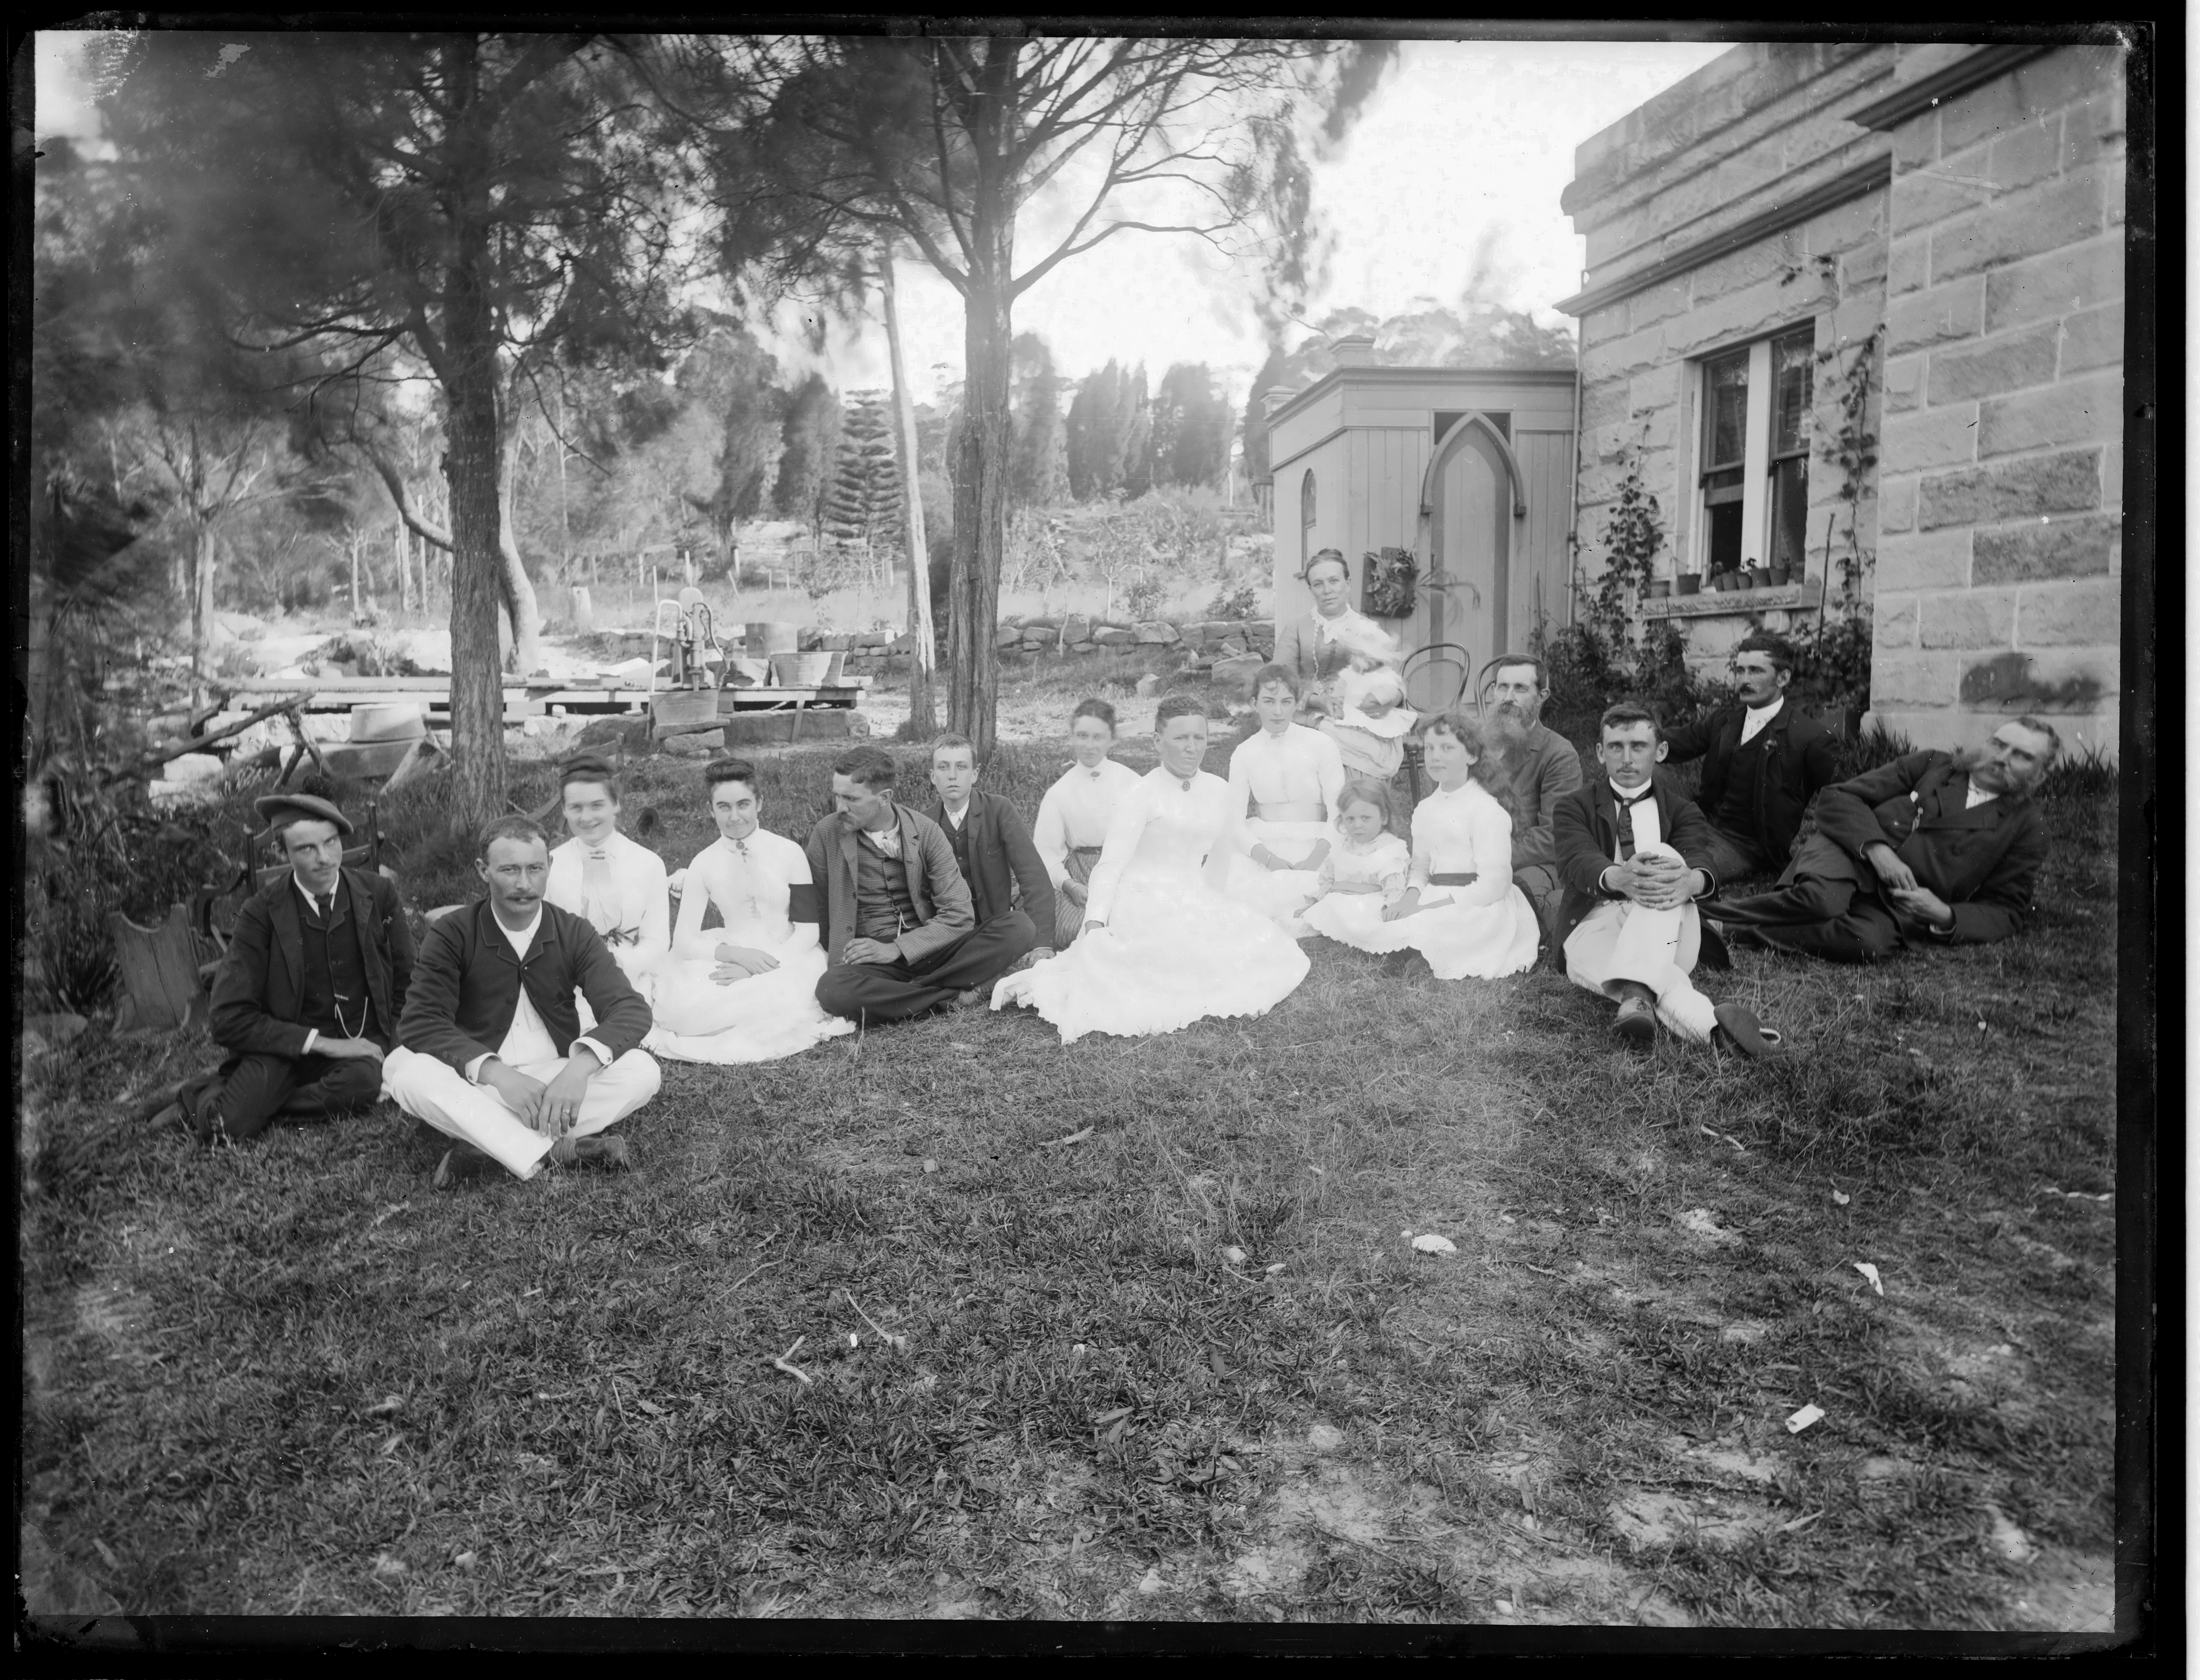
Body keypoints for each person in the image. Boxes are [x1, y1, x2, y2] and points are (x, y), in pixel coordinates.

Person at [993, 694, 1311, 1042]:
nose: (1191, 748)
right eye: (1180, 738)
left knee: (1266, 948)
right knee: (1178, 953)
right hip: (1142, 895)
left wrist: (1217, 901)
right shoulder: (1141, 794)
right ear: (1158, 742)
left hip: (1192, 891)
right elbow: (1111, 864)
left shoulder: (1219, 790)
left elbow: (1225, 847)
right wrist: (1095, 923)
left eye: (1199, 738)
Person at [383, 816, 662, 1182]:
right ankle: (559, 1150)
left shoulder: (573, 931)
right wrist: (499, 1076)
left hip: (555, 1072)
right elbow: (420, 1021)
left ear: (551, 866)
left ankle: (486, 1144)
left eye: (535, 869)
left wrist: (578, 1071)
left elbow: (630, 1008)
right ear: (484, 870)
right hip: (480, 1078)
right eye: (509, 870)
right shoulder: (452, 932)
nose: (524, 885)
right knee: (407, 1074)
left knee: (644, 1071)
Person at [168, 793, 413, 1145]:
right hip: (286, 1048)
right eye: (306, 849)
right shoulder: (260, 913)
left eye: (330, 842)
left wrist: (397, 1051)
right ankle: (203, 1093)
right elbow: (227, 1017)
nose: (324, 858)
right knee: (229, 1126)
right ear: (284, 853)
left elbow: (410, 981)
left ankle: (263, 1104)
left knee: (362, 1084)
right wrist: (322, 1044)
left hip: (363, 1047)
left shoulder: (379, 894)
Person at [1708, 718, 2058, 962]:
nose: (2001, 758)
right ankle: (1713, 916)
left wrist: (1946, 914)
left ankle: (1736, 930)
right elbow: (1838, 796)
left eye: (2022, 756)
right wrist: (1877, 850)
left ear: (2040, 774)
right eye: (1999, 744)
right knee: (1821, 901)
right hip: (1850, 850)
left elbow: (2008, 910)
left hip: (1895, 903)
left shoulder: (2028, 827)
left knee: (1868, 945)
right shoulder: (1935, 765)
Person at [1553, 703, 1779, 1058]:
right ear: (1599, 753)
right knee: (1650, 977)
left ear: (1660, 751)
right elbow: (1576, 858)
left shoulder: (1682, 810)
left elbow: (1700, 859)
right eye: (1616, 747)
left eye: (1638, 746)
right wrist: (1617, 877)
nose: (1626, 758)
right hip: (1594, 922)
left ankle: (1638, 992)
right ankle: (1718, 1033)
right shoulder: (1573, 806)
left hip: (1668, 926)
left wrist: (1693, 882)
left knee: (1665, 854)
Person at [807, 745, 1036, 1026]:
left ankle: (909, 996)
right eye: (837, 797)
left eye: (851, 799)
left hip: (932, 949)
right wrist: (849, 954)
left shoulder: (926, 831)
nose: (840, 808)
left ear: (884, 798)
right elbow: (818, 907)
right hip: (872, 962)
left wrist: (897, 948)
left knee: (1019, 927)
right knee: (832, 988)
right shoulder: (827, 833)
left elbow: (959, 915)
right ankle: (954, 994)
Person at [647, 759, 855, 1062]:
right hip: (734, 950)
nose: (734, 817)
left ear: (760, 803)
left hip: (790, 953)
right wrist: (737, 956)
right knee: (683, 1009)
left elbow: (809, 929)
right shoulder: (703, 863)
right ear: (710, 809)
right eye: (724, 807)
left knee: (785, 998)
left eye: (743, 804)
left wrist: (761, 967)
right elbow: (683, 939)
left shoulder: (789, 852)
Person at [1303, 713, 1539, 979]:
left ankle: (1422, 957)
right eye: (1430, 748)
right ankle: (1398, 947)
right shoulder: (1427, 808)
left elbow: (1495, 884)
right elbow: (1420, 866)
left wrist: (1433, 906)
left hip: (1478, 901)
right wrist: (1411, 897)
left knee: (1445, 923)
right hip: (1436, 893)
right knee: (1389, 916)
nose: (1435, 756)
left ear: (1472, 756)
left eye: (1447, 748)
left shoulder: (1486, 809)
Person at [1660, 633, 1839, 882]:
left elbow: (1846, 797)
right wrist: (1633, 738)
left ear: (1783, 678)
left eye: (1755, 671)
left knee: (1680, 872)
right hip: (1698, 821)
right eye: (1740, 670)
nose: (1744, 680)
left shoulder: (1809, 736)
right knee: (1651, 767)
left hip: (1744, 846)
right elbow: (1671, 743)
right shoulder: (1724, 720)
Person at [542, 755, 671, 1029]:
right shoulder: (548, 866)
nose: (586, 818)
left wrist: (620, 964)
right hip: (569, 980)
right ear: (564, 810)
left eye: (597, 805)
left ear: (616, 805)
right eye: (575, 807)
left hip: (629, 975)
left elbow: (658, 942)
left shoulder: (648, 864)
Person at [1221, 664, 1348, 930]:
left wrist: (1315, 859)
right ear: (1255, 703)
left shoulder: (1321, 745)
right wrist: (1269, 860)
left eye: (1286, 702)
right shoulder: (1244, 753)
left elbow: (1339, 812)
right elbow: (1234, 820)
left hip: (1318, 842)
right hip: (1266, 844)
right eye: (1269, 701)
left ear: (1296, 703)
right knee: (1248, 901)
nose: (1277, 711)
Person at [1477, 654, 1585, 940]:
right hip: (1471, 858)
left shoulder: (1558, 753)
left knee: (1517, 902)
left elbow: (1554, 835)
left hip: (1528, 863)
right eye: (1502, 687)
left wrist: (1489, 860)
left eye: (1520, 689)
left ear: (1542, 696)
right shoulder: (1474, 744)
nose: (1508, 697)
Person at [926, 732, 1056, 967]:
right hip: (948, 933)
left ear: (975, 774)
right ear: (933, 776)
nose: (952, 776)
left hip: (994, 927)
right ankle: (973, 975)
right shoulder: (924, 824)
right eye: (943, 768)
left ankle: (964, 973)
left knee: (1020, 928)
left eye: (962, 767)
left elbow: (1032, 875)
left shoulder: (999, 810)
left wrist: (1043, 942)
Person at [1031, 698, 1145, 949]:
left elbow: (1150, 837)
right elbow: (1046, 854)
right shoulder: (1059, 792)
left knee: (1134, 923)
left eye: (1098, 737)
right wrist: (1069, 886)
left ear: (1111, 739)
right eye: (1082, 736)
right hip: (1082, 876)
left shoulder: (1131, 782)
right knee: (1076, 931)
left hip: (1127, 869)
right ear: (1072, 737)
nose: (1089, 746)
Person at [1293, 777, 1414, 930]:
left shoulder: (1388, 849)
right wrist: (1315, 904)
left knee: (1359, 922)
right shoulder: (1342, 845)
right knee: (1321, 916)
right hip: (1339, 902)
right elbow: (1328, 879)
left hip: (1368, 905)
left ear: (1384, 817)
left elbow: (1394, 887)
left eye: (1365, 818)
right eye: (1350, 819)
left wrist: (1391, 909)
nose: (1357, 825)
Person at [1315, 617, 1419, 782]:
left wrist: (1384, 698)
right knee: (1326, 730)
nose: (1354, 659)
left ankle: (1361, 778)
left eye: (1360, 656)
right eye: (1354, 654)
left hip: (1372, 722)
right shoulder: (1349, 674)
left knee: (1364, 743)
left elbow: (1392, 690)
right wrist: (1336, 702)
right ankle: (1341, 779)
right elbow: (1337, 694)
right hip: (1346, 716)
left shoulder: (1383, 677)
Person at [1275, 547, 1387, 692]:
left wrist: (1393, 696)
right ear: (1311, 591)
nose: (1327, 590)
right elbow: (1281, 678)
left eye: (1334, 581)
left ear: (1348, 584)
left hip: (1356, 709)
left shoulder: (1368, 628)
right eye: (1318, 584)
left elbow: (1390, 679)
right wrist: (1315, 702)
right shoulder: (1296, 627)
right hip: (1307, 708)